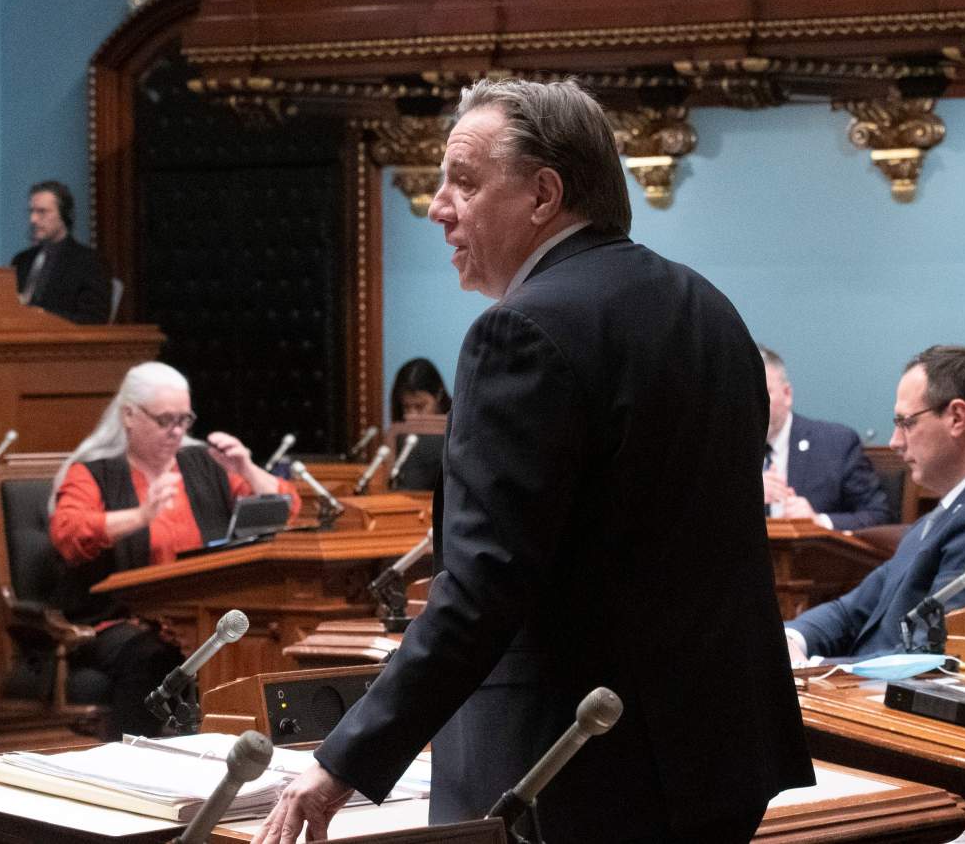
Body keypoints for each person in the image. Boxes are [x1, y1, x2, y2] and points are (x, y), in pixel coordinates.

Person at [254, 78, 812, 844]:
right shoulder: (711, 312)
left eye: (465, 182)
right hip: (718, 760)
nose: (436, 206)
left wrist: (342, 760)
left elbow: (483, 589)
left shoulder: (519, 332)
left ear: (544, 194)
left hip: (569, 768)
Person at [48, 361, 300, 738]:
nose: (177, 431)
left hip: (204, 613)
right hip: (122, 619)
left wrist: (246, 468)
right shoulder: (93, 474)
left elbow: (286, 509)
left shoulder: (205, 464)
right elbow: (68, 534)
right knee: (155, 656)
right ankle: (138, 762)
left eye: (184, 419)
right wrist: (140, 516)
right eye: (165, 420)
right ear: (129, 416)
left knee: (257, 643)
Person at [785, 345, 965, 663]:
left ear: (957, 418)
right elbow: (852, 609)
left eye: (906, 422)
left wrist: (811, 669)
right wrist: (793, 639)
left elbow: (936, 657)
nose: (894, 442)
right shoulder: (945, 514)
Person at [760, 345, 893, 530]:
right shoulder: (719, 450)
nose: (749, 405)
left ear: (787, 394)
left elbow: (878, 516)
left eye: (760, 393)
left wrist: (818, 521)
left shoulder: (837, 445)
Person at [11, 180, 110, 324]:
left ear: (64, 214)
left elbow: (93, 320)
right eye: (31, 211)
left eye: (42, 212)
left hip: (64, 343)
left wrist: (41, 315)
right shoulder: (22, 260)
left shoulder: (90, 262)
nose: (33, 219)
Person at [389, 358, 452, 423]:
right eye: (406, 407)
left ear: (439, 394)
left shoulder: (458, 423)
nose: (413, 416)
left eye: (420, 406)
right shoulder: (398, 427)